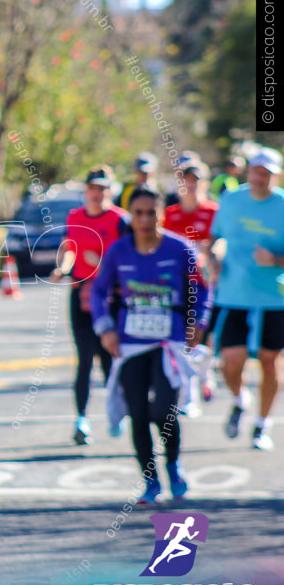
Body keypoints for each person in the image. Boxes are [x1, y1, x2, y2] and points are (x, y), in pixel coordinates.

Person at [91, 187, 210, 504]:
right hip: (130, 345)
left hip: (168, 343)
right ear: (131, 215)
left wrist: (197, 321)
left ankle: (173, 465)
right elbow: (98, 292)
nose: (145, 219)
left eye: (151, 212)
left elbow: (201, 288)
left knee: (163, 410)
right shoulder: (118, 251)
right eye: (138, 213)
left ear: (161, 214)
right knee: (139, 413)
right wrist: (105, 328)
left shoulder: (180, 249)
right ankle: (150, 480)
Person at [209, 147, 284, 451]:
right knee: (230, 363)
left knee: (269, 362)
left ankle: (262, 424)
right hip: (233, 294)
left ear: (275, 176)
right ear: (248, 171)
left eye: (266, 173)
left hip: (273, 298)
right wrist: (213, 256)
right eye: (255, 171)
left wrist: (276, 259)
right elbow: (216, 238)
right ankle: (241, 400)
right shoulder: (231, 200)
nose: (259, 178)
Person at [51, 166, 128, 445]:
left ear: (111, 192)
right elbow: (69, 247)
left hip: (112, 298)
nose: (98, 194)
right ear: (86, 191)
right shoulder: (75, 216)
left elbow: (131, 257)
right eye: (93, 188)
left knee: (110, 358)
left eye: (103, 189)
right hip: (82, 294)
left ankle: (117, 411)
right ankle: (81, 419)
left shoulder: (121, 220)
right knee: (84, 359)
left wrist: (104, 265)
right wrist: (62, 268)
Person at [163, 161, 219, 407]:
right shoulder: (171, 214)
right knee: (182, 338)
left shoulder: (213, 212)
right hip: (177, 287)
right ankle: (190, 392)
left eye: (196, 180)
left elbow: (221, 243)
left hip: (205, 284)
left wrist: (214, 254)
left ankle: (203, 375)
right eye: (186, 180)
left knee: (199, 336)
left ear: (204, 182)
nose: (191, 184)